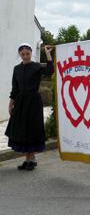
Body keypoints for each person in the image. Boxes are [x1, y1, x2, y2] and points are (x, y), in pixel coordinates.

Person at [6, 43, 54, 171]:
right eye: (23, 54)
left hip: (33, 102)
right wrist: (11, 103)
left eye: (27, 54)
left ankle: (32, 159)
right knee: (22, 131)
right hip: (20, 103)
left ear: (31, 53)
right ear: (20, 55)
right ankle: (27, 159)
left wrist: (48, 54)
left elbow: (50, 71)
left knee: (32, 129)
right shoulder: (16, 69)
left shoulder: (36, 66)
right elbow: (15, 88)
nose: (25, 56)